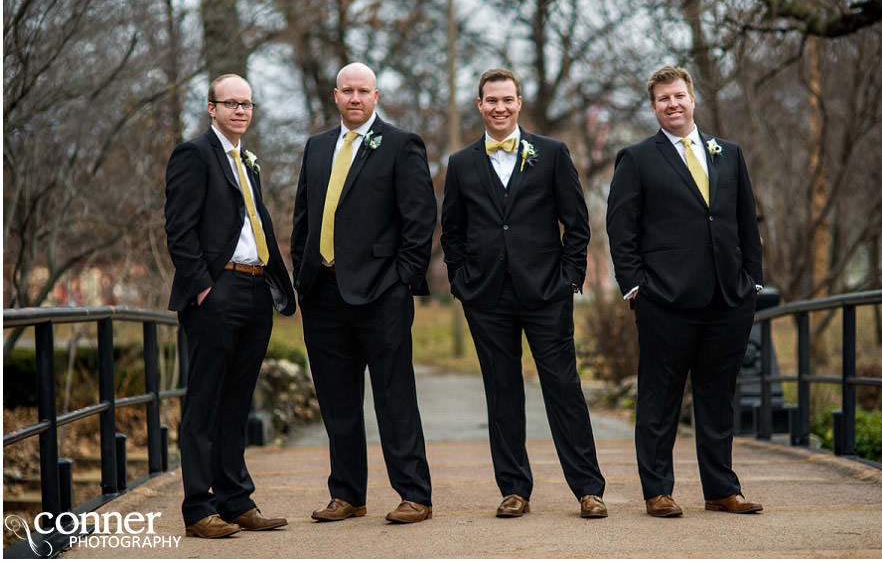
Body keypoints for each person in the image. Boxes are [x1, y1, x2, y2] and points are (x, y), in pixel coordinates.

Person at [440, 68, 608, 519]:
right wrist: (461, 281)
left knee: (563, 388)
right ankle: (514, 489)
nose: (499, 107)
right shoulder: (460, 163)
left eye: (507, 99)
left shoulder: (551, 153)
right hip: (486, 297)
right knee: (502, 392)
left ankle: (589, 489)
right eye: (491, 100)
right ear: (480, 105)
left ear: (519, 103)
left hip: (546, 294)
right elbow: (452, 231)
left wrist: (570, 278)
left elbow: (577, 223)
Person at [606, 65, 764, 517]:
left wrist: (751, 281)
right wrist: (636, 287)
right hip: (665, 301)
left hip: (728, 299)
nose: (672, 104)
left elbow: (744, 223)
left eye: (679, 96)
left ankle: (721, 489)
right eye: (662, 99)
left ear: (692, 98)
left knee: (717, 396)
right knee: (660, 398)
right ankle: (657, 490)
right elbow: (621, 230)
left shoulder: (728, 154)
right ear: (653, 106)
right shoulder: (636, 159)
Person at [291, 62, 436, 524]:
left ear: (376, 96)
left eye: (363, 91)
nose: (355, 98)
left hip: (381, 293)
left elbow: (420, 220)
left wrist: (402, 278)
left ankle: (415, 494)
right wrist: (303, 274)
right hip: (323, 293)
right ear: (336, 95)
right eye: (347, 91)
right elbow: (303, 219)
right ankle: (347, 494)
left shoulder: (400, 144)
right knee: (337, 400)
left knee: (395, 396)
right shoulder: (316, 148)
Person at [165, 74, 296, 538]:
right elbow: (179, 230)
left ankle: (235, 500)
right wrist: (203, 287)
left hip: (255, 290)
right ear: (211, 108)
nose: (240, 111)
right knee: (204, 403)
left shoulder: (247, 162)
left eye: (247, 104)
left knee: (238, 402)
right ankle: (199, 509)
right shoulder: (194, 155)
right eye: (231, 103)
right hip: (217, 293)